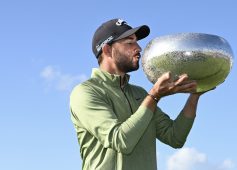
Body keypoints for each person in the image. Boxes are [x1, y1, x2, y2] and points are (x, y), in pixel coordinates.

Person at [70, 18, 213, 170]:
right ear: (107, 50)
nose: (138, 48)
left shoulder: (140, 93)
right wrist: (154, 96)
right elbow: (121, 140)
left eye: (137, 42)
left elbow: (175, 137)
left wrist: (195, 95)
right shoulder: (85, 92)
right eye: (129, 43)